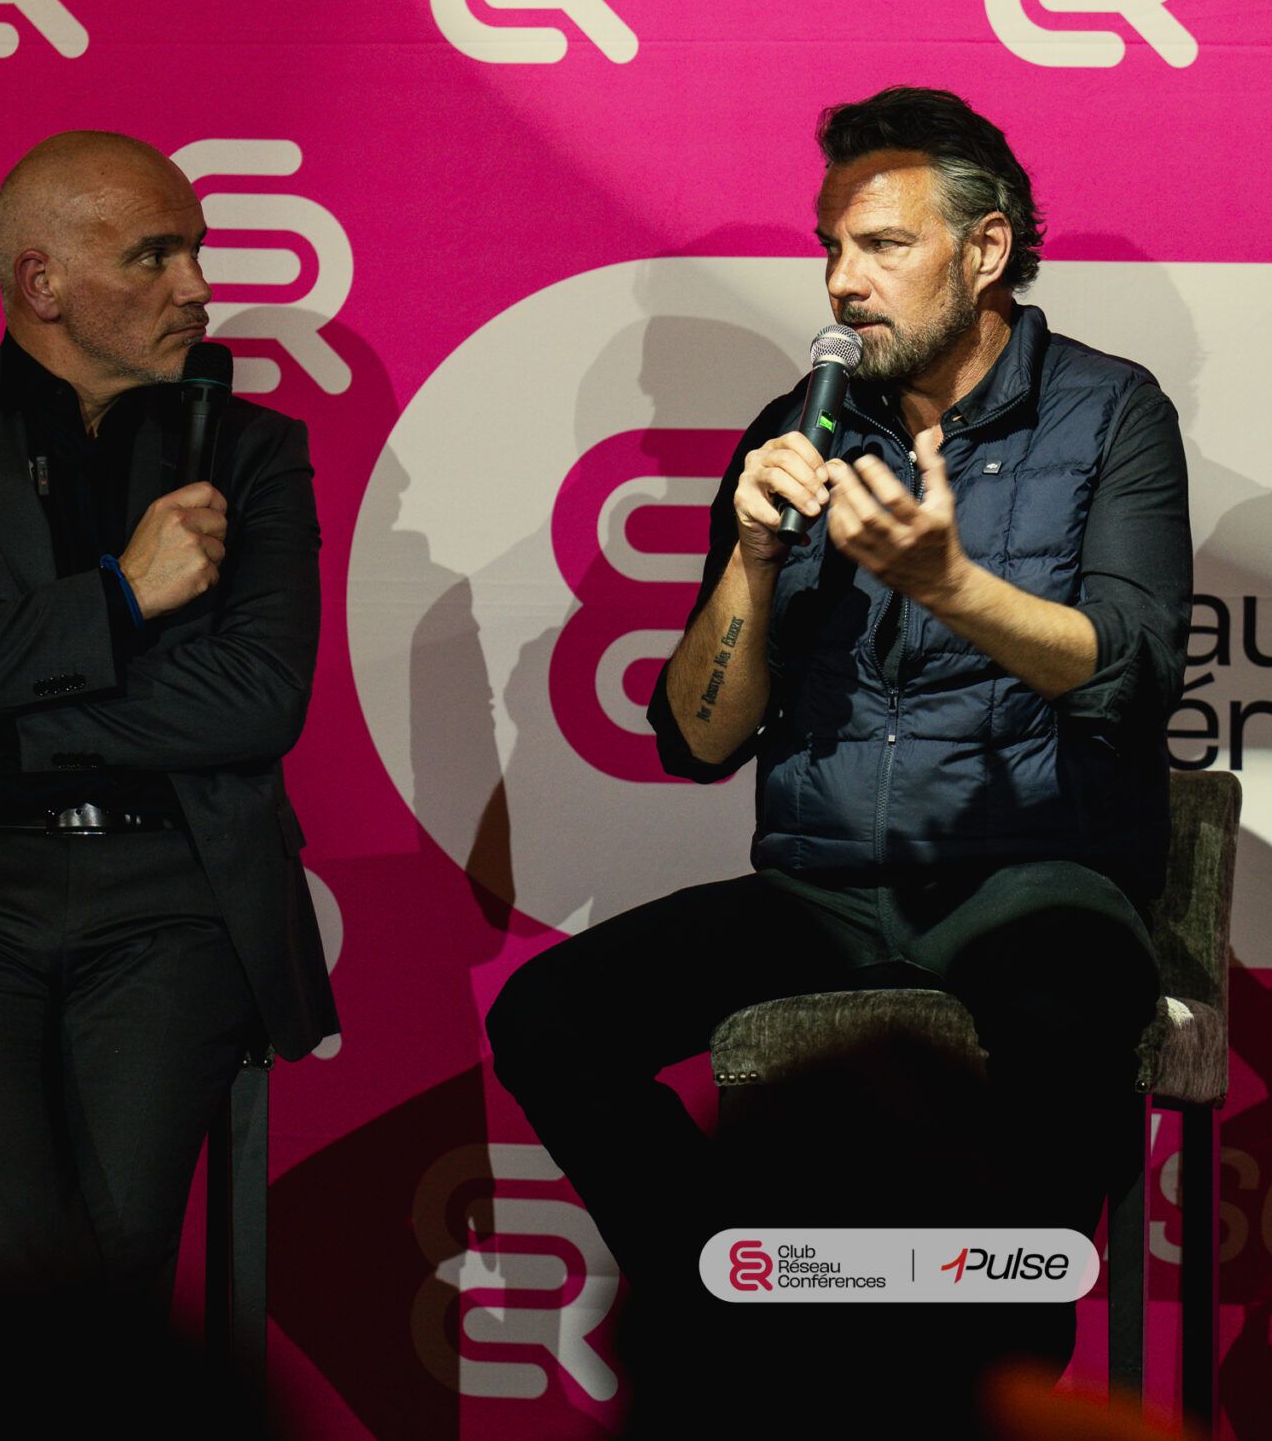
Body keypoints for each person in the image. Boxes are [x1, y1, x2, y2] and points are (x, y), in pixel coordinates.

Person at [485, 86, 1190, 1388]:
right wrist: (750, 558)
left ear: (985, 250)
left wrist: (950, 585)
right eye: (831, 248)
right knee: (549, 1015)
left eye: (883, 246)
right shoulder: (792, 427)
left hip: (1029, 873)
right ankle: (746, 1320)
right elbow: (699, 738)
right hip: (820, 887)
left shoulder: (1108, 412)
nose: (842, 282)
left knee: (1065, 1031)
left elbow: (1131, 675)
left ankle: (994, 1376)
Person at [0, 131, 336, 1319]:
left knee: (116, 1260)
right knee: (14, 1242)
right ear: (42, 282)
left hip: (175, 889)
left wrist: (1, 722)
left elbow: (256, 700)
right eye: (153, 255)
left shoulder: (255, 453)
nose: (197, 286)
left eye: (195, 251)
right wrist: (123, 597)